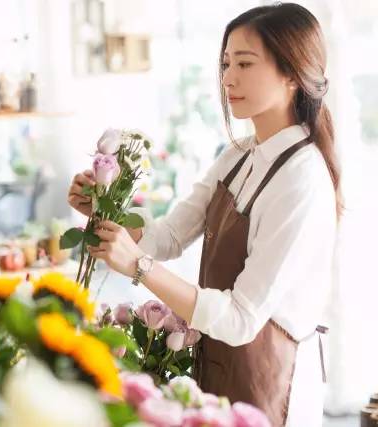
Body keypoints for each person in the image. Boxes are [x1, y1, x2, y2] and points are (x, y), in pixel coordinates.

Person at [67, 3, 340, 426]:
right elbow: (169, 236)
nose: (228, 78)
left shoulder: (301, 179)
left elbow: (239, 319)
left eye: (245, 63)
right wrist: (105, 208)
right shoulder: (238, 156)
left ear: (292, 74)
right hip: (218, 364)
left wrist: (138, 267)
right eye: (226, 62)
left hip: (273, 383)